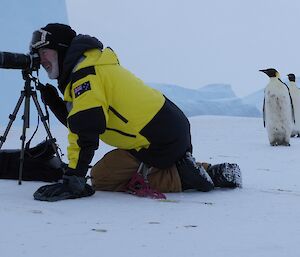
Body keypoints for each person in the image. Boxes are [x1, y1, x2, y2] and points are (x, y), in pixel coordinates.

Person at [30, 23, 242, 202]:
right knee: (108, 170)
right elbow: (82, 122)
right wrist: (55, 103)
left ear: (61, 49)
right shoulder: (88, 68)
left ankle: (184, 177)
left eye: (44, 52)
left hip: (157, 139)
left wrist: (74, 178)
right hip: (165, 129)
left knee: (102, 177)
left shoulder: (86, 76)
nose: (42, 60)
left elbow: (85, 130)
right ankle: (204, 169)